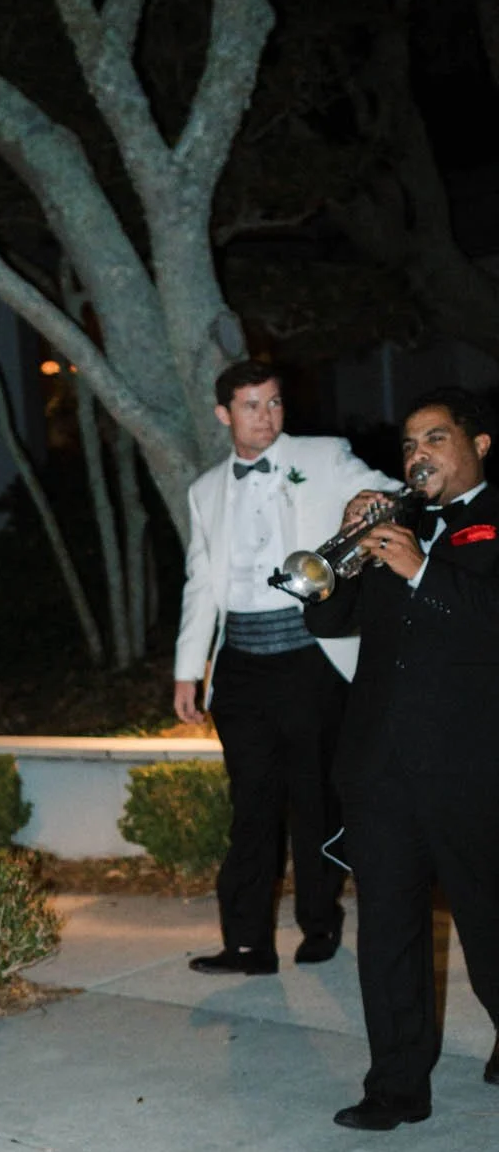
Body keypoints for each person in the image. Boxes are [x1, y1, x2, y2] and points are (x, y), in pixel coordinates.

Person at [307, 389, 499, 1129]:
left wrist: (420, 570)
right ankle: (395, 1086)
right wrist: (347, 545)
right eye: (409, 445)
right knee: (387, 932)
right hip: (382, 771)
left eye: (436, 438)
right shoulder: (397, 527)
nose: (417, 455)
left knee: (488, 926)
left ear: (480, 444)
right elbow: (324, 614)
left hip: (472, 771)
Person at [174, 360, 391, 974]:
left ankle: (320, 923)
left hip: (308, 658)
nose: (266, 416)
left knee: (314, 799)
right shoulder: (205, 488)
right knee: (251, 804)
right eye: (250, 406)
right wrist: (189, 670)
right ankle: (246, 943)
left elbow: (388, 497)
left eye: (273, 403)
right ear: (224, 415)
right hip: (239, 665)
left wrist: (366, 504)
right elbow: (200, 584)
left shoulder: (323, 457)